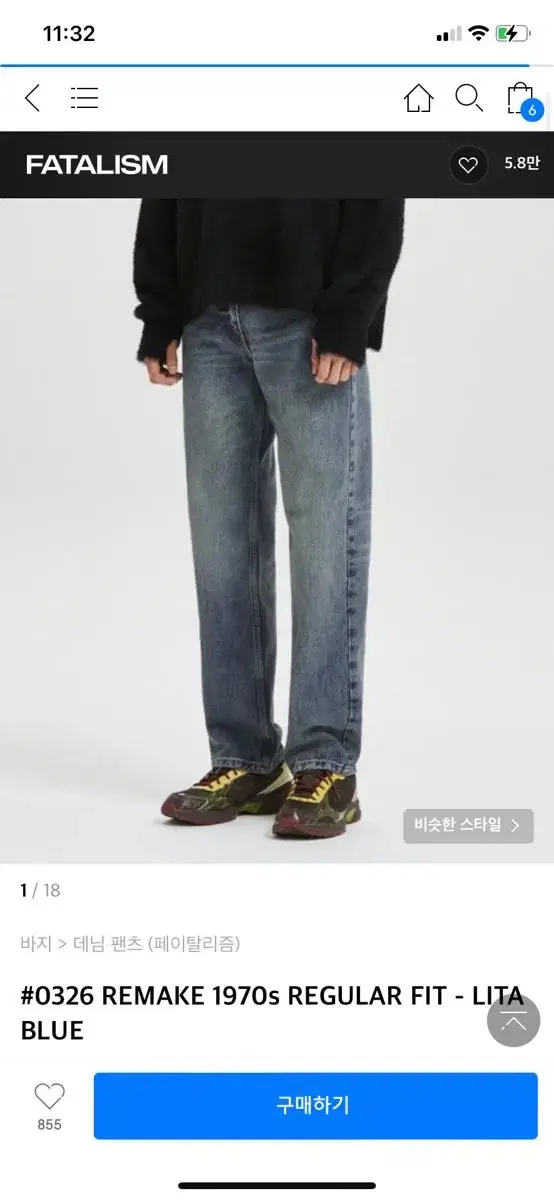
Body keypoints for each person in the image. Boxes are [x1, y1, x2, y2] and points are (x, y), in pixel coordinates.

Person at [133, 199, 404, 838]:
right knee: (222, 547)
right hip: (209, 322)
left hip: (308, 320)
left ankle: (326, 765)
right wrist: (161, 312)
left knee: (326, 544)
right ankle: (246, 759)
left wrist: (349, 315)